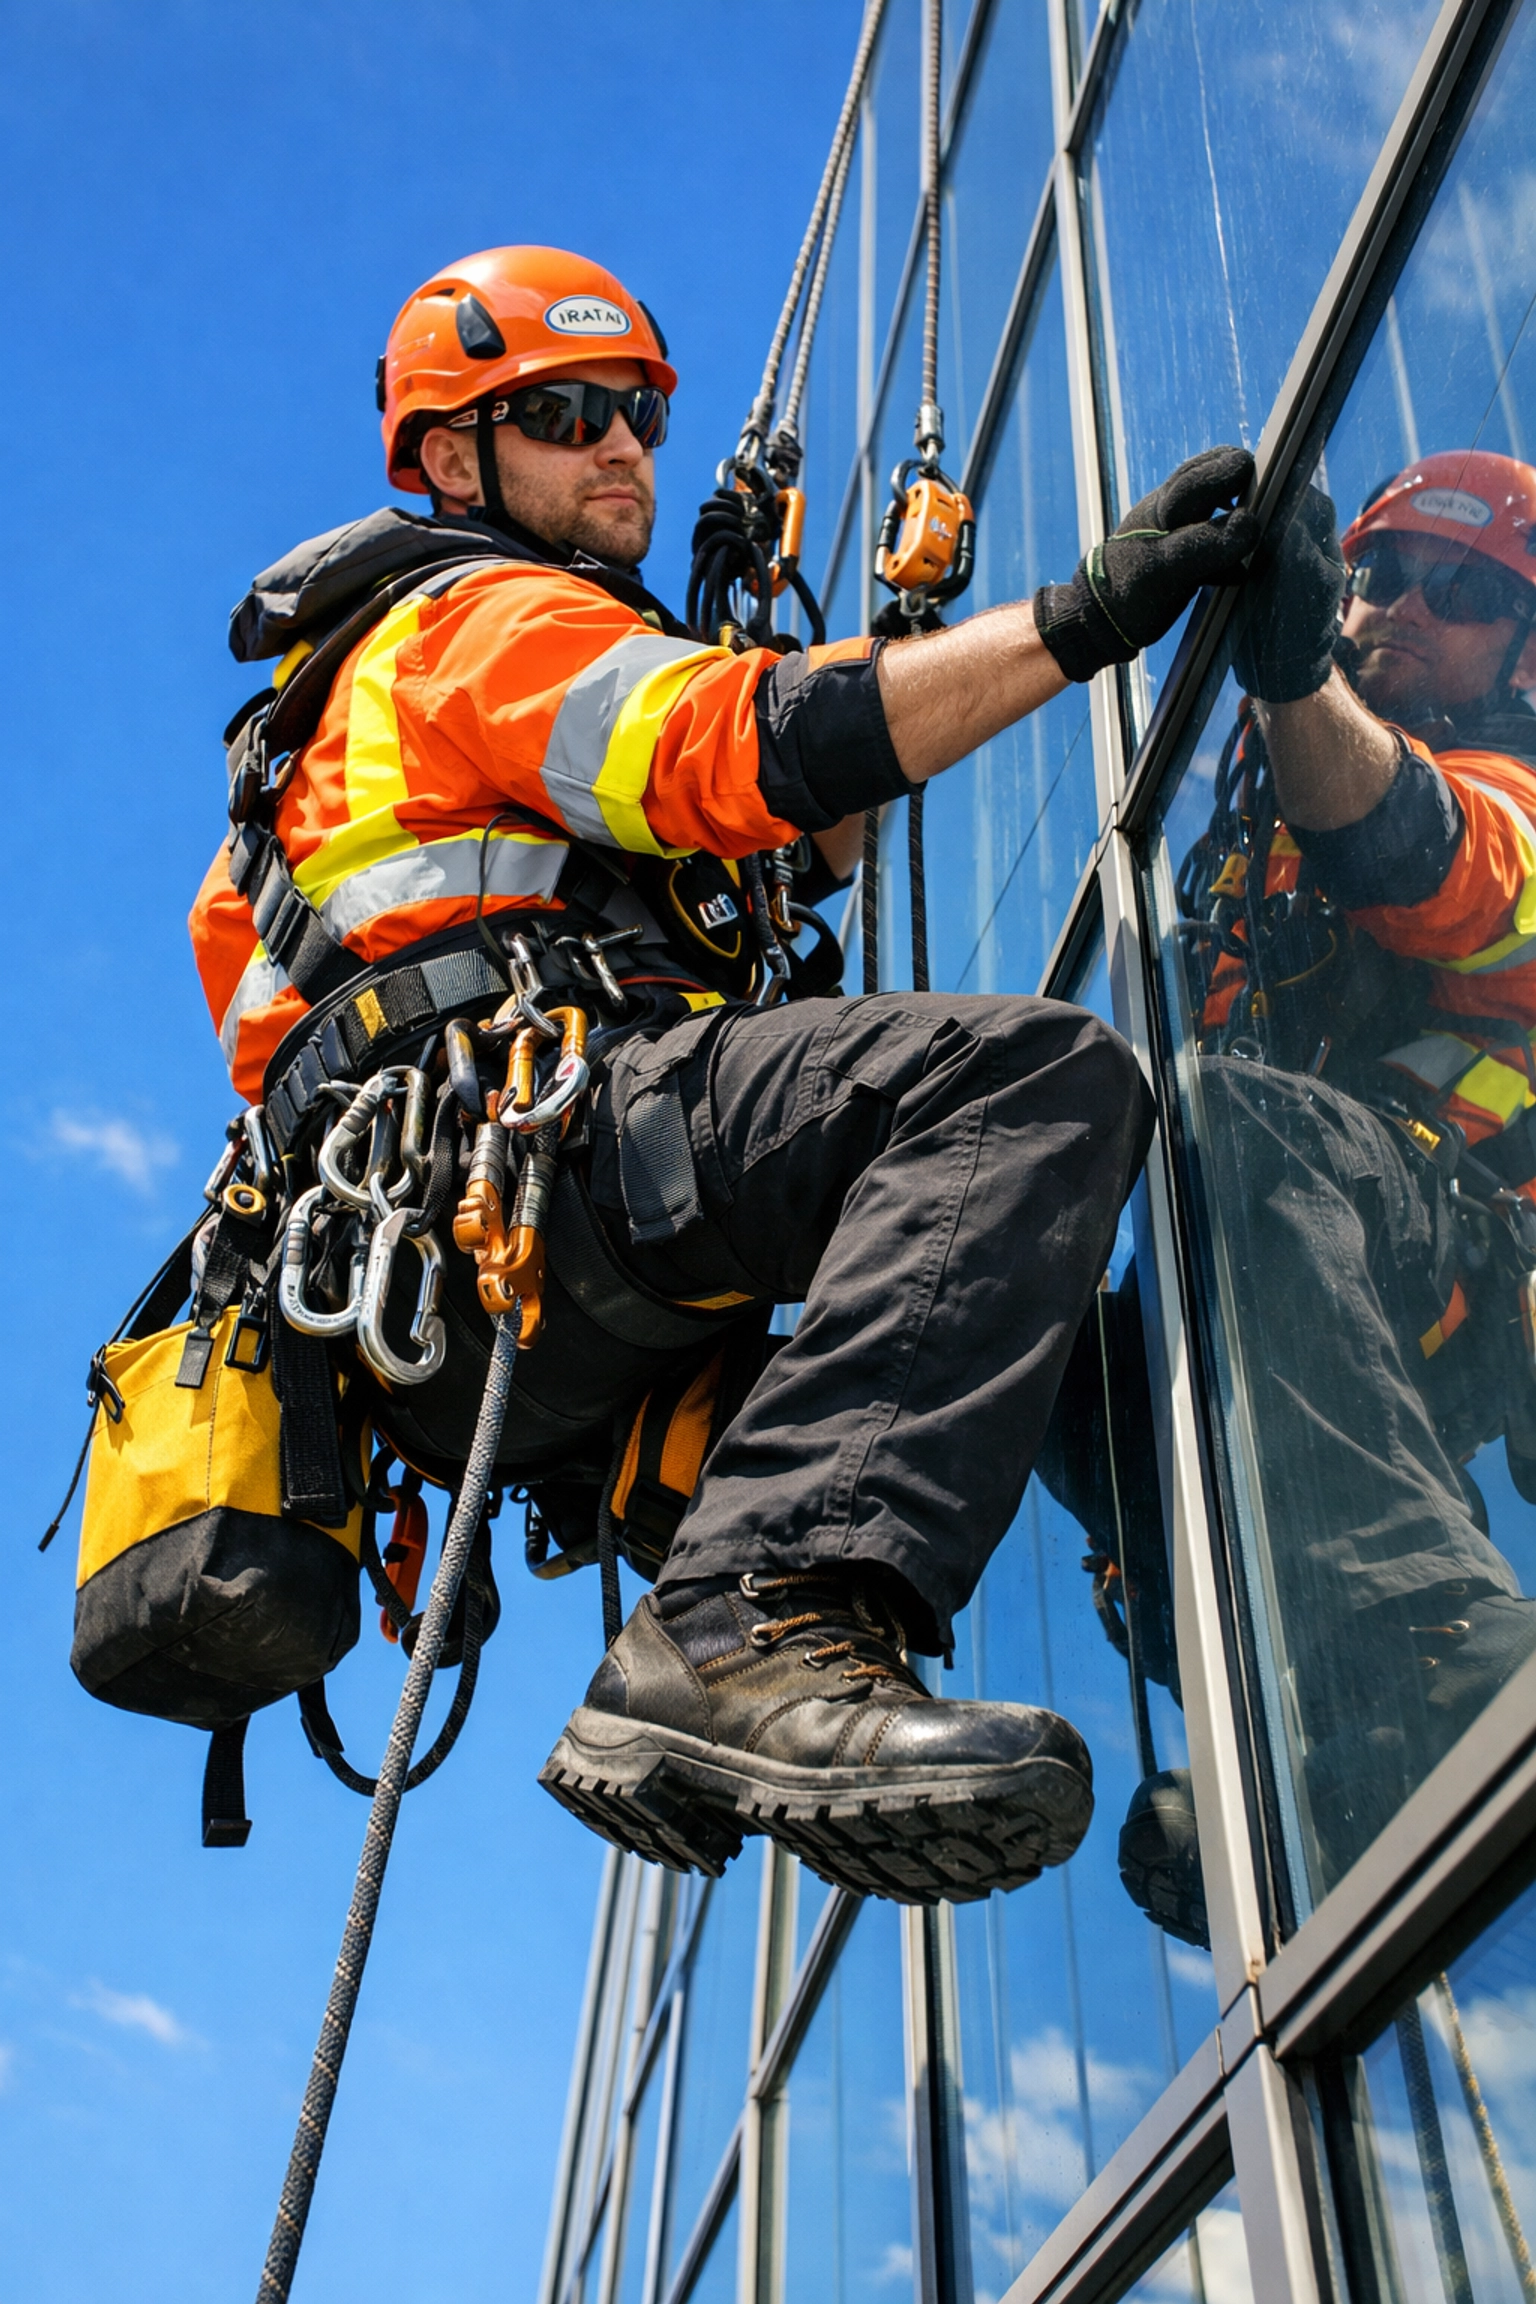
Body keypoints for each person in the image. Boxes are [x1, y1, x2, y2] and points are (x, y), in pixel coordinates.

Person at [192, 244, 1256, 1904]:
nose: (619, 444)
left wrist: (887, 646)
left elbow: (770, 856)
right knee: (1023, 1089)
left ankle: (1261, 1660)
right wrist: (1075, 625)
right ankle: (744, 1633)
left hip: (477, 1296)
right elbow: (743, 749)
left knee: (1038, 1338)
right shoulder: (478, 617)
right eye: (562, 412)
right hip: (529, 1170)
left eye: (636, 413)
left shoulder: (387, 713)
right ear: (453, 457)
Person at [1139, 450, 1536, 1916]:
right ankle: (1301, 1716)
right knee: (1075, 1310)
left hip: (1464, 1248)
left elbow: (1424, 855)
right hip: (1321, 1265)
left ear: (1522, 646)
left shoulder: (1510, 789)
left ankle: (1432, 1625)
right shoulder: (1254, 860)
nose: (1412, 609)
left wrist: (1294, 663)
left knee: (1242, 1121)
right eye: (1381, 575)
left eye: (1469, 591)